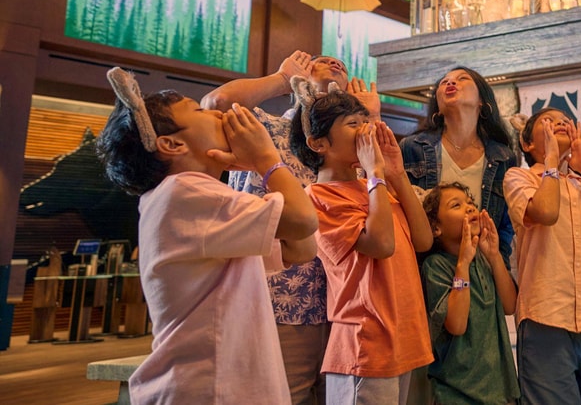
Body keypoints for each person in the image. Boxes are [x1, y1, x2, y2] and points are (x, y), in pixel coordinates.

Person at [96, 68, 318, 404]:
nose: (216, 113)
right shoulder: (183, 191)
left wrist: (262, 166)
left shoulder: (192, 196)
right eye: (199, 111)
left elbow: (301, 249)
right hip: (209, 386)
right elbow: (302, 220)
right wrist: (266, 158)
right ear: (171, 144)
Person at [201, 51, 381, 405]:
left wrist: (368, 118)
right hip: (278, 298)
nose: (335, 63)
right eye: (320, 60)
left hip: (345, 304)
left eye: (341, 66)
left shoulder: (356, 152)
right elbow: (216, 103)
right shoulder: (267, 128)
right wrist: (282, 78)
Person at [291, 90, 434, 405]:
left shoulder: (375, 187)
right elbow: (381, 245)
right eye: (353, 123)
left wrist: (395, 174)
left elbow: (423, 240)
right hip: (365, 341)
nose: (366, 130)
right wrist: (376, 175)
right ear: (319, 144)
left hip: (403, 333)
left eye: (366, 121)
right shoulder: (318, 196)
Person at [503, 108, 581, 405]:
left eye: (563, 119)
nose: (559, 122)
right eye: (548, 120)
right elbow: (545, 212)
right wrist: (550, 163)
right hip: (545, 317)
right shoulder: (519, 177)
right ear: (527, 144)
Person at [400, 67, 518, 266]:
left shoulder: (503, 157)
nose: (450, 83)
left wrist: (497, 264)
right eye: (444, 82)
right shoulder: (412, 148)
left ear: (482, 101)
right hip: (424, 270)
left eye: (462, 78)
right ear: (437, 105)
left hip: (482, 272)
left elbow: (506, 227)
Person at [420, 183, 520, 405]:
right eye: (457, 205)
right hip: (455, 393)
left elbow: (510, 305)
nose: (469, 208)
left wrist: (494, 256)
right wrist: (463, 263)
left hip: (499, 391)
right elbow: (457, 324)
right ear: (436, 228)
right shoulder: (435, 266)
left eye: (470, 203)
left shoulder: (485, 259)